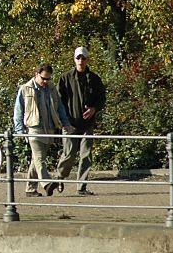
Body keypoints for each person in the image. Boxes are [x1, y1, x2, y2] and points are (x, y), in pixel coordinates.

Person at [13, 64, 74, 197]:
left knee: (37, 160)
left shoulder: (51, 89)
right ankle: (47, 184)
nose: (46, 82)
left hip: (49, 128)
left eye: (48, 79)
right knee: (39, 158)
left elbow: (60, 108)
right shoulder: (25, 89)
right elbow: (18, 110)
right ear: (36, 74)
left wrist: (65, 123)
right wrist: (19, 130)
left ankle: (30, 189)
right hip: (33, 129)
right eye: (44, 78)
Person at [54, 47, 107, 196]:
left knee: (86, 156)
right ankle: (59, 177)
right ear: (74, 59)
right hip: (70, 123)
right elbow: (59, 101)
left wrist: (94, 109)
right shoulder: (65, 78)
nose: (81, 61)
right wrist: (63, 122)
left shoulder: (94, 79)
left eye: (83, 58)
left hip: (87, 124)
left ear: (87, 60)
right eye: (78, 58)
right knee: (69, 154)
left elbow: (102, 98)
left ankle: (81, 187)